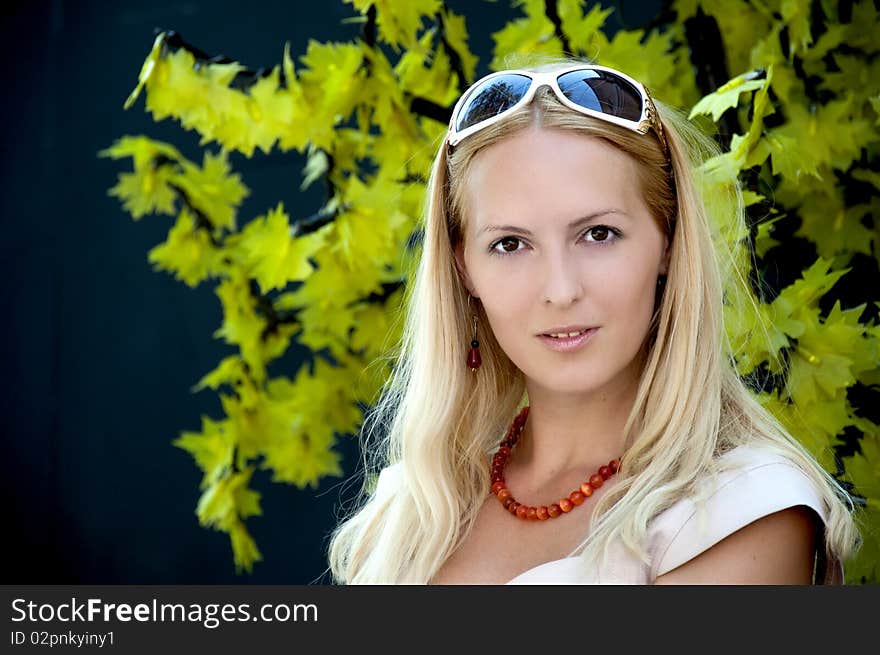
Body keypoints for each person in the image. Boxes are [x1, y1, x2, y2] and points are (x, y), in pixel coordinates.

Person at [326, 57, 861, 584]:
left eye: (598, 234)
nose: (561, 290)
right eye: (510, 244)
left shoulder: (742, 509)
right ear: (464, 270)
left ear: (668, 244)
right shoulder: (406, 514)